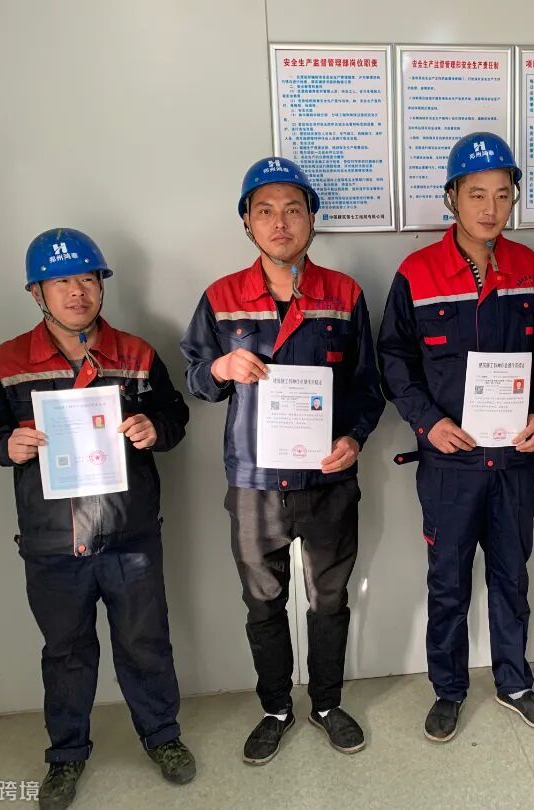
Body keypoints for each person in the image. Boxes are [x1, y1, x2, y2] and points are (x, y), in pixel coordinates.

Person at [0, 228, 195, 810]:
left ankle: (162, 737)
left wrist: (155, 429)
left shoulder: (136, 354)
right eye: (62, 281)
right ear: (37, 292)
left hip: (129, 532)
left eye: (88, 279)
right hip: (52, 540)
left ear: (101, 286)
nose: (77, 292)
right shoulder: (7, 361)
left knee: (145, 642)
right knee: (65, 651)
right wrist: (5, 445)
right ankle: (66, 754)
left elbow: (174, 415)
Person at [180, 156, 384, 764]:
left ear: (312, 219)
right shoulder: (221, 298)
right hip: (255, 483)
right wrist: (220, 367)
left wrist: (354, 438)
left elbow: (368, 386)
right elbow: (195, 379)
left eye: (293, 209)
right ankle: (275, 708)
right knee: (263, 602)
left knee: (329, 599)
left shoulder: (344, 294)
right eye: (264, 210)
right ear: (246, 221)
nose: (280, 222)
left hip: (328, 479)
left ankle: (326, 703)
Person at [377, 132, 534, 741]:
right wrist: (427, 422)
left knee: (512, 577)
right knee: (449, 582)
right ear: (452, 197)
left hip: (513, 460)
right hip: (450, 465)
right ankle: (449, 690)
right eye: (477, 194)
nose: (491, 207)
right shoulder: (417, 273)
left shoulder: (529, 269)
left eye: (503, 195)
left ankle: (515, 683)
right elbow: (393, 359)